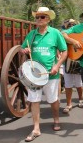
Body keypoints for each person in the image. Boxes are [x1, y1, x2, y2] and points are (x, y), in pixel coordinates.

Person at [21, 7, 67, 142]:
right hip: (34, 75)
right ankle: (36, 128)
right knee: (34, 100)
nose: (39, 19)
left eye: (42, 17)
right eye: (37, 17)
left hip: (51, 74)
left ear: (48, 19)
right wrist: (24, 50)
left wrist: (57, 66)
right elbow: (22, 48)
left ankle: (56, 119)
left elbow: (64, 52)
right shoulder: (32, 35)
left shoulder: (55, 33)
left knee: (53, 100)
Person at [61, 19, 83, 113]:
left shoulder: (79, 35)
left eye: (73, 24)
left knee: (79, 82)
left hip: (78, 60)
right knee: (68, 84)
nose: (71, 25)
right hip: (67, 61)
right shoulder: (63, 35)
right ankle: (68, 104)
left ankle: (81, 99)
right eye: (69, 24)